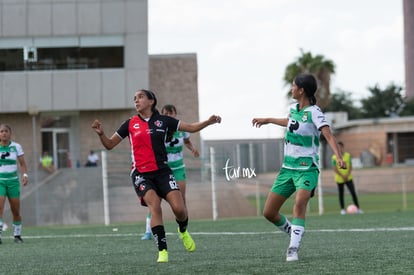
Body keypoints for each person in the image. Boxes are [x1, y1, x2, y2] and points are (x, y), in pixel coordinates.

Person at [91, 89, 221, 263]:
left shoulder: (164, 121)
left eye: (140, 97)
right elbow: (109, 144)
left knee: (180, 209)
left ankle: (182, 231)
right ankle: (163, 252)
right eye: (134, 98)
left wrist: (208, 122)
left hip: (163, 172)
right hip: (141, 174)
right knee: (155, 206)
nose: (136, 100)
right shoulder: (129, 123)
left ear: (151, 101)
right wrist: (101, 135)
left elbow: (190, 127)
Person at [252, 73, 346, 262]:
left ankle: (293, 248)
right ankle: (293, 231)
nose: (291, 89)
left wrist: (339, 156)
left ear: (301, 90)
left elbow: (328, 135)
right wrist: (268, 119)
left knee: (299, 203)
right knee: (269, 212)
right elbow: (291, 123)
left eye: (293, 86)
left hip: (307, 168)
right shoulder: (294, 109)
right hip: (287, 169)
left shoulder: (315, 112)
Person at [141, 104, 200, 241]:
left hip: (178, 168)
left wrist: (192, 148)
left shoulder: (182, 130)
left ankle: (183, 228)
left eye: (170, 113)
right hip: (162, 170)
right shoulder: (158, 130)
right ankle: (148, 230)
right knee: (156, 201)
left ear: (175, 114)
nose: (168, 116)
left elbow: (187, 141)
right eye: (165, 113)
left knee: (181, 200)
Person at [0, 124, 28, 244]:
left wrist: (25, 175)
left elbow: (22, 164)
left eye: (6, 131)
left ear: (10, 133)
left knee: (15, 210)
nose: (4, 133)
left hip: (13, 182)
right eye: (1, 131)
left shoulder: (16, 147)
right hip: (0, 181)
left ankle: (17, 235)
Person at [332, 141, 363, 215]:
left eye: (340, 147)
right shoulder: (334, 157)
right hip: (339, 179)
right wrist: (342, 176)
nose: (339, 148)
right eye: (338, 147)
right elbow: (335, 168)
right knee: (341, 194)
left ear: (342, 147)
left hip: (348, 177)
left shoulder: (347, 155)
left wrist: (346, 175)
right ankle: (342, 209)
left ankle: (358, 208)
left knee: (353, 192)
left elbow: (350, 166)